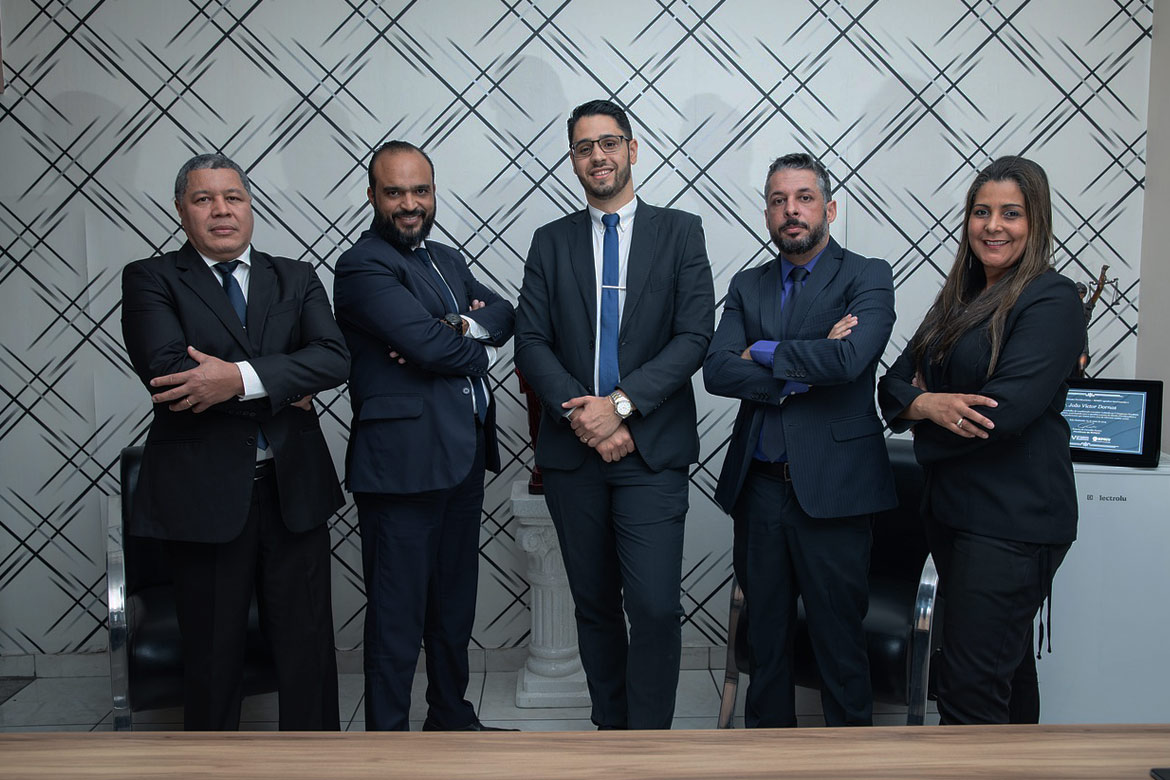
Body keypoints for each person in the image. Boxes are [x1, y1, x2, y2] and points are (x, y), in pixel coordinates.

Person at [120, 153, 348, 731]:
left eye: (233, 197)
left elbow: (332, 358)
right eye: (204, 199)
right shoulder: (150, 278)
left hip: (293, 489)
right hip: (203, 498)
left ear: (249, 206)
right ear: (181, 210)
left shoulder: (295, 277)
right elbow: (171, 375)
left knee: (308, 652)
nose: (221, 210)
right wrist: (282, 383)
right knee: (212, 658)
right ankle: (214, 767)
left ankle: (318, 767)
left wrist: (236, 379)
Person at [514, 99, 715, 730]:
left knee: (653, 607)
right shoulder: (549, 242)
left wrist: (620, 408)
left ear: (632, 149)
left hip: (651, 451)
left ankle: (648, 744)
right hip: (574, 453)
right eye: (583, 147)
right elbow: (531, 342)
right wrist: (588, 418)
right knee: (594, 605)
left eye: (608, 143)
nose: (597, 156)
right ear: (573, 161)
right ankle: (611, 732)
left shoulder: (680, 232)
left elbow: (693, 335)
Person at [878, 155, 1083, 725]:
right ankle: (1021, 763)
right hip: (954, 512)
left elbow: (1003, 413)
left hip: (1012, 522)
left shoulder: (1051, 299)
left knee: (969, 693)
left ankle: (974, 766)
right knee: (1005, 674)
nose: (993, 226)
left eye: (1011, 213)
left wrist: (922, 418)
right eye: (981, 212)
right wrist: (926, 404)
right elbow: (892, 385)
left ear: (1035, 220)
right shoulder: (958, 299)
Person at [703, 152, 897, 728]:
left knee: (840, 645)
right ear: (767, 213)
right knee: (764, 645)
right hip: (759, 490)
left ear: (829, 209)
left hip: (835, 490)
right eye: (778, 200)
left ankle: (847, 761)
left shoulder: (867, 275)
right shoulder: (748, 284)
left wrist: (761, 351)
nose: (791, 210)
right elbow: (717, 370)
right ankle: (767, 760)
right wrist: (806, 365)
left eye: (804, 198)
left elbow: (850, 359)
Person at [333, 141, 515, 732]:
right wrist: (469, 347)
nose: (410, 204)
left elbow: (505, 313)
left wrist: (457, 324)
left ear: (433, 193)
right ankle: (387, 742)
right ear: (372, 196)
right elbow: (431, 348)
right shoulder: (362, 266)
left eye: (420, 191)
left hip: (462, 455)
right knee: (397, 612)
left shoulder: (446, 259)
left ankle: (450, 716)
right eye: (395, 192)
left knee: (453, 602)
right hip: (401, 465)